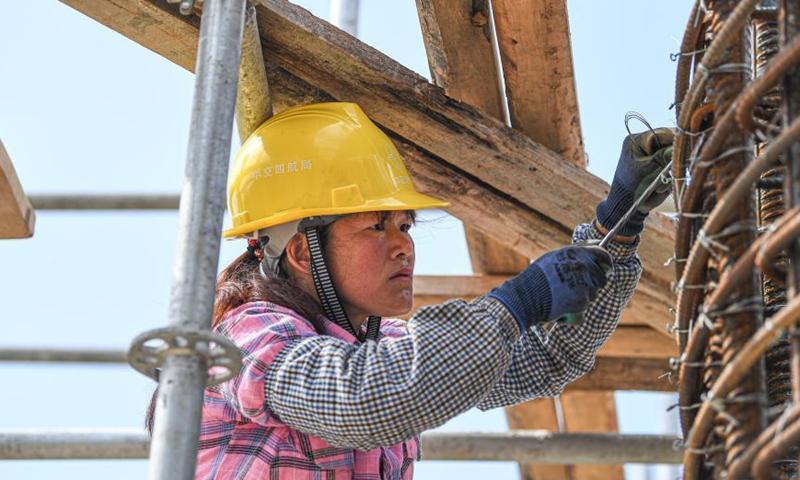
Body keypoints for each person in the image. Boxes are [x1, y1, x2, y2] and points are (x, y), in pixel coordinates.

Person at [146, 102, 674, 479]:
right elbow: (359, 400)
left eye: (406, 226)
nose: (404, 247)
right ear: (303, 252)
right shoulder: (248, 336)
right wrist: (518, 301)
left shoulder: (383, 352)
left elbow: (544, 359)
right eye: (377, 226)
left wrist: (619, 225)